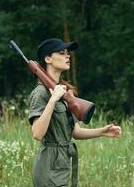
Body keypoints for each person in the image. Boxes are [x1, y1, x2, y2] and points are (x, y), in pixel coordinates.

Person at [28, 38, 122, 187]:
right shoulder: (40, 93)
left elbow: (75, 132)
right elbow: (37, 133)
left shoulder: (65, 92)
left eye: (67, 53)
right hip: (48, 167)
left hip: (63, 163)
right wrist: (53, 100)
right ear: (48, 59)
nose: (68, 56)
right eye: (61, 53)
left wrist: (102, 132)